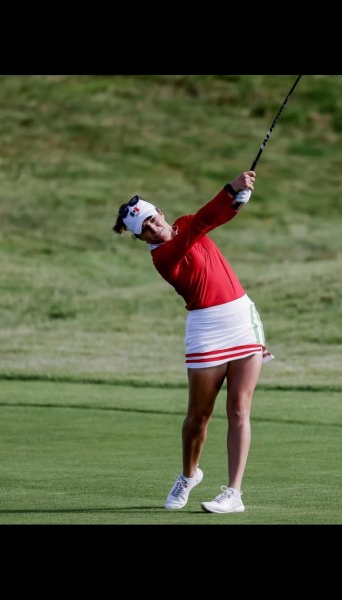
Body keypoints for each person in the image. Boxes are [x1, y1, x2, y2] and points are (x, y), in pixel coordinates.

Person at [112, 170, 273, 514]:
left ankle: (234, 493)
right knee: (199, 415)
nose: (154, 228)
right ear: (141, 238)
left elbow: (212, 219)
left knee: (239, 408)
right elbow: (202, 221)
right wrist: (229, 189)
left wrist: (237, 201)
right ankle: (188, 475)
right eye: (146, 229)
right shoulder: (163, 257)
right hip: (206, 329)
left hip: (241, 318)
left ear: (161, 213)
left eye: (153, 219)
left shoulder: (185, 223)